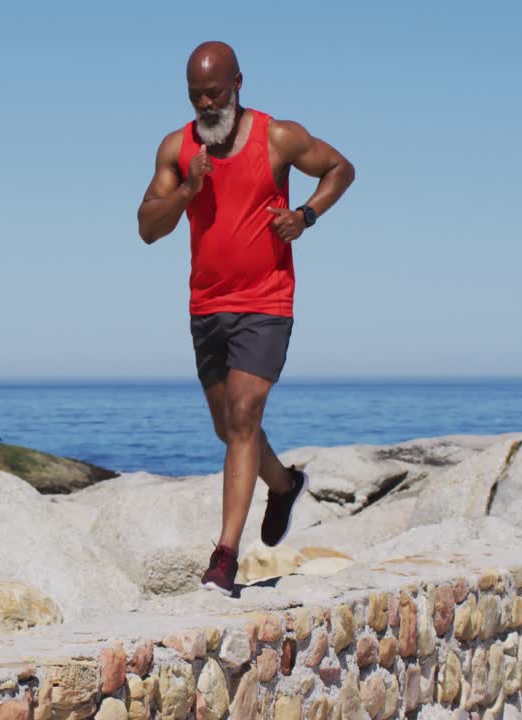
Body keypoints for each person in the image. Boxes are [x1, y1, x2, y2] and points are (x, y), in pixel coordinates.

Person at [136, 41, 356, 596]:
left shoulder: (276, 136)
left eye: (214, 92)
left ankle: (224, 557)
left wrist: (305, 215)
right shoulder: (178, 148)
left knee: (242, 417)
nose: (205, 104)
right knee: (229, 428)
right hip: (207, 305)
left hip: (266, 301)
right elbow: (146, 226)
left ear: (238, 83)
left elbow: (339, 168)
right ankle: (282, 484)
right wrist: (189, 188)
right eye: (195, 96)